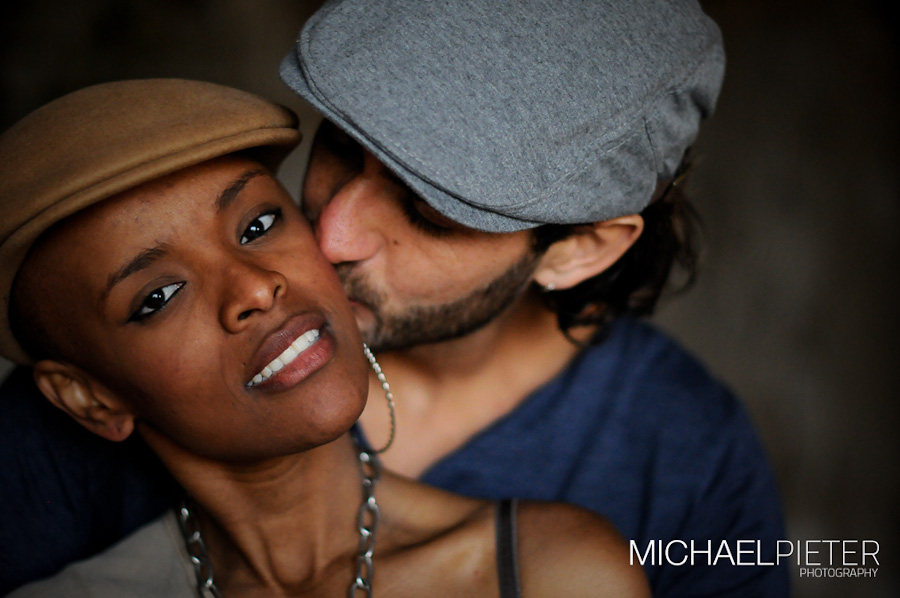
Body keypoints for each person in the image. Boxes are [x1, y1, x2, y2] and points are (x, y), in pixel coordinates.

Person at [0, 1, 787, 596]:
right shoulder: (78, 429)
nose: (330, 233)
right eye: (341, 147)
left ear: (579, 248)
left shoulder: (686, 456)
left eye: (426, 214)